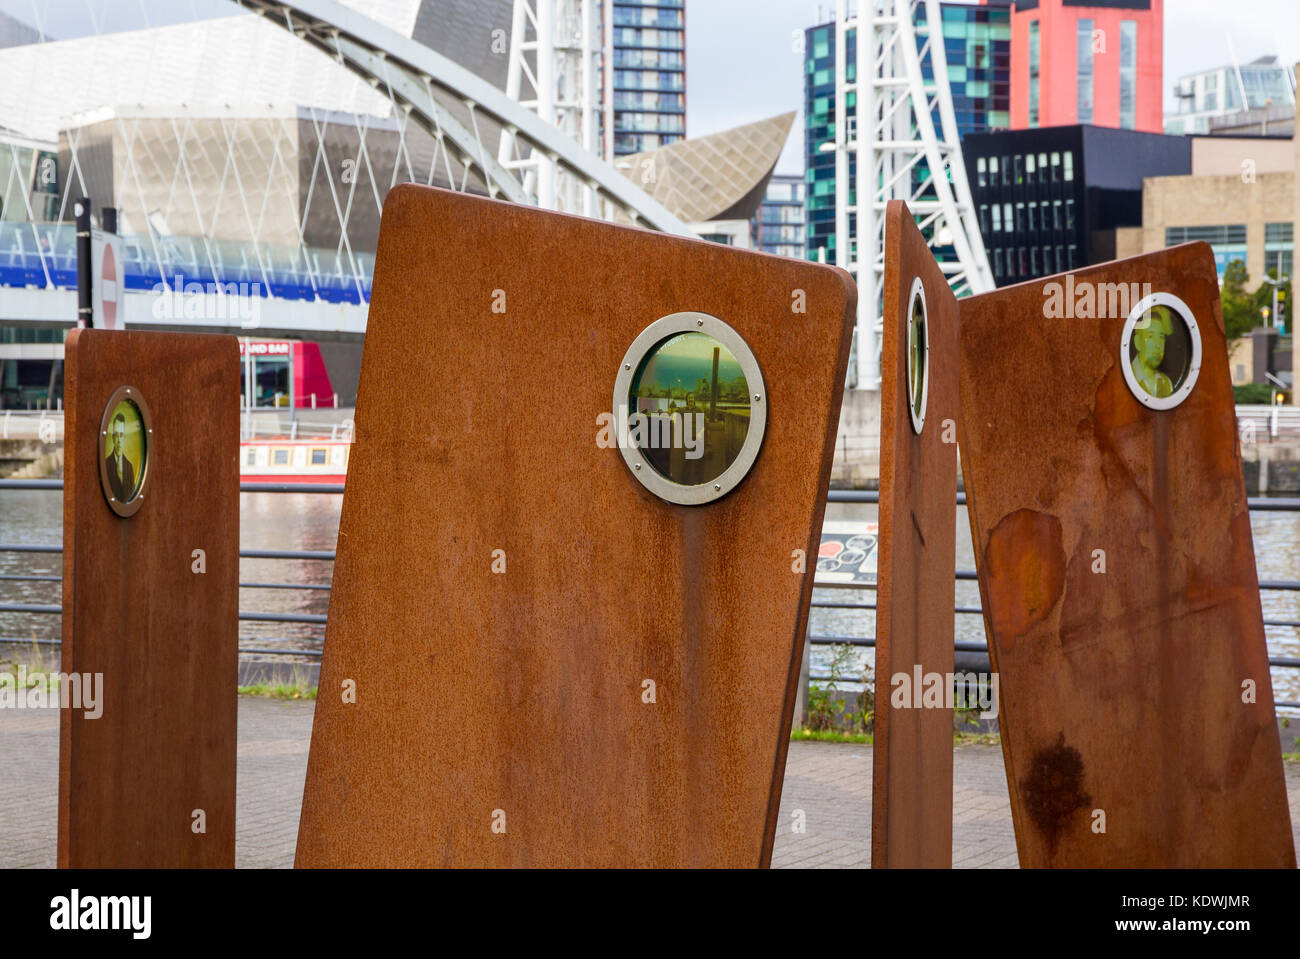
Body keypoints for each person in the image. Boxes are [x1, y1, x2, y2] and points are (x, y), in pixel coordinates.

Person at [1131, 306, 1175, 398]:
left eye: (1161, 337)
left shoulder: (1166, 383)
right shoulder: (1128, 376)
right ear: (1138, 342)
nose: (1158, 345)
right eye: (1150, 336)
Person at [104, 411, 136, 501]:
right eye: (116, 435)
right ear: (113, 438)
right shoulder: (105, 464)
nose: (119, 440)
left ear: (124, 437)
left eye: (121, 435)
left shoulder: (129, 467)